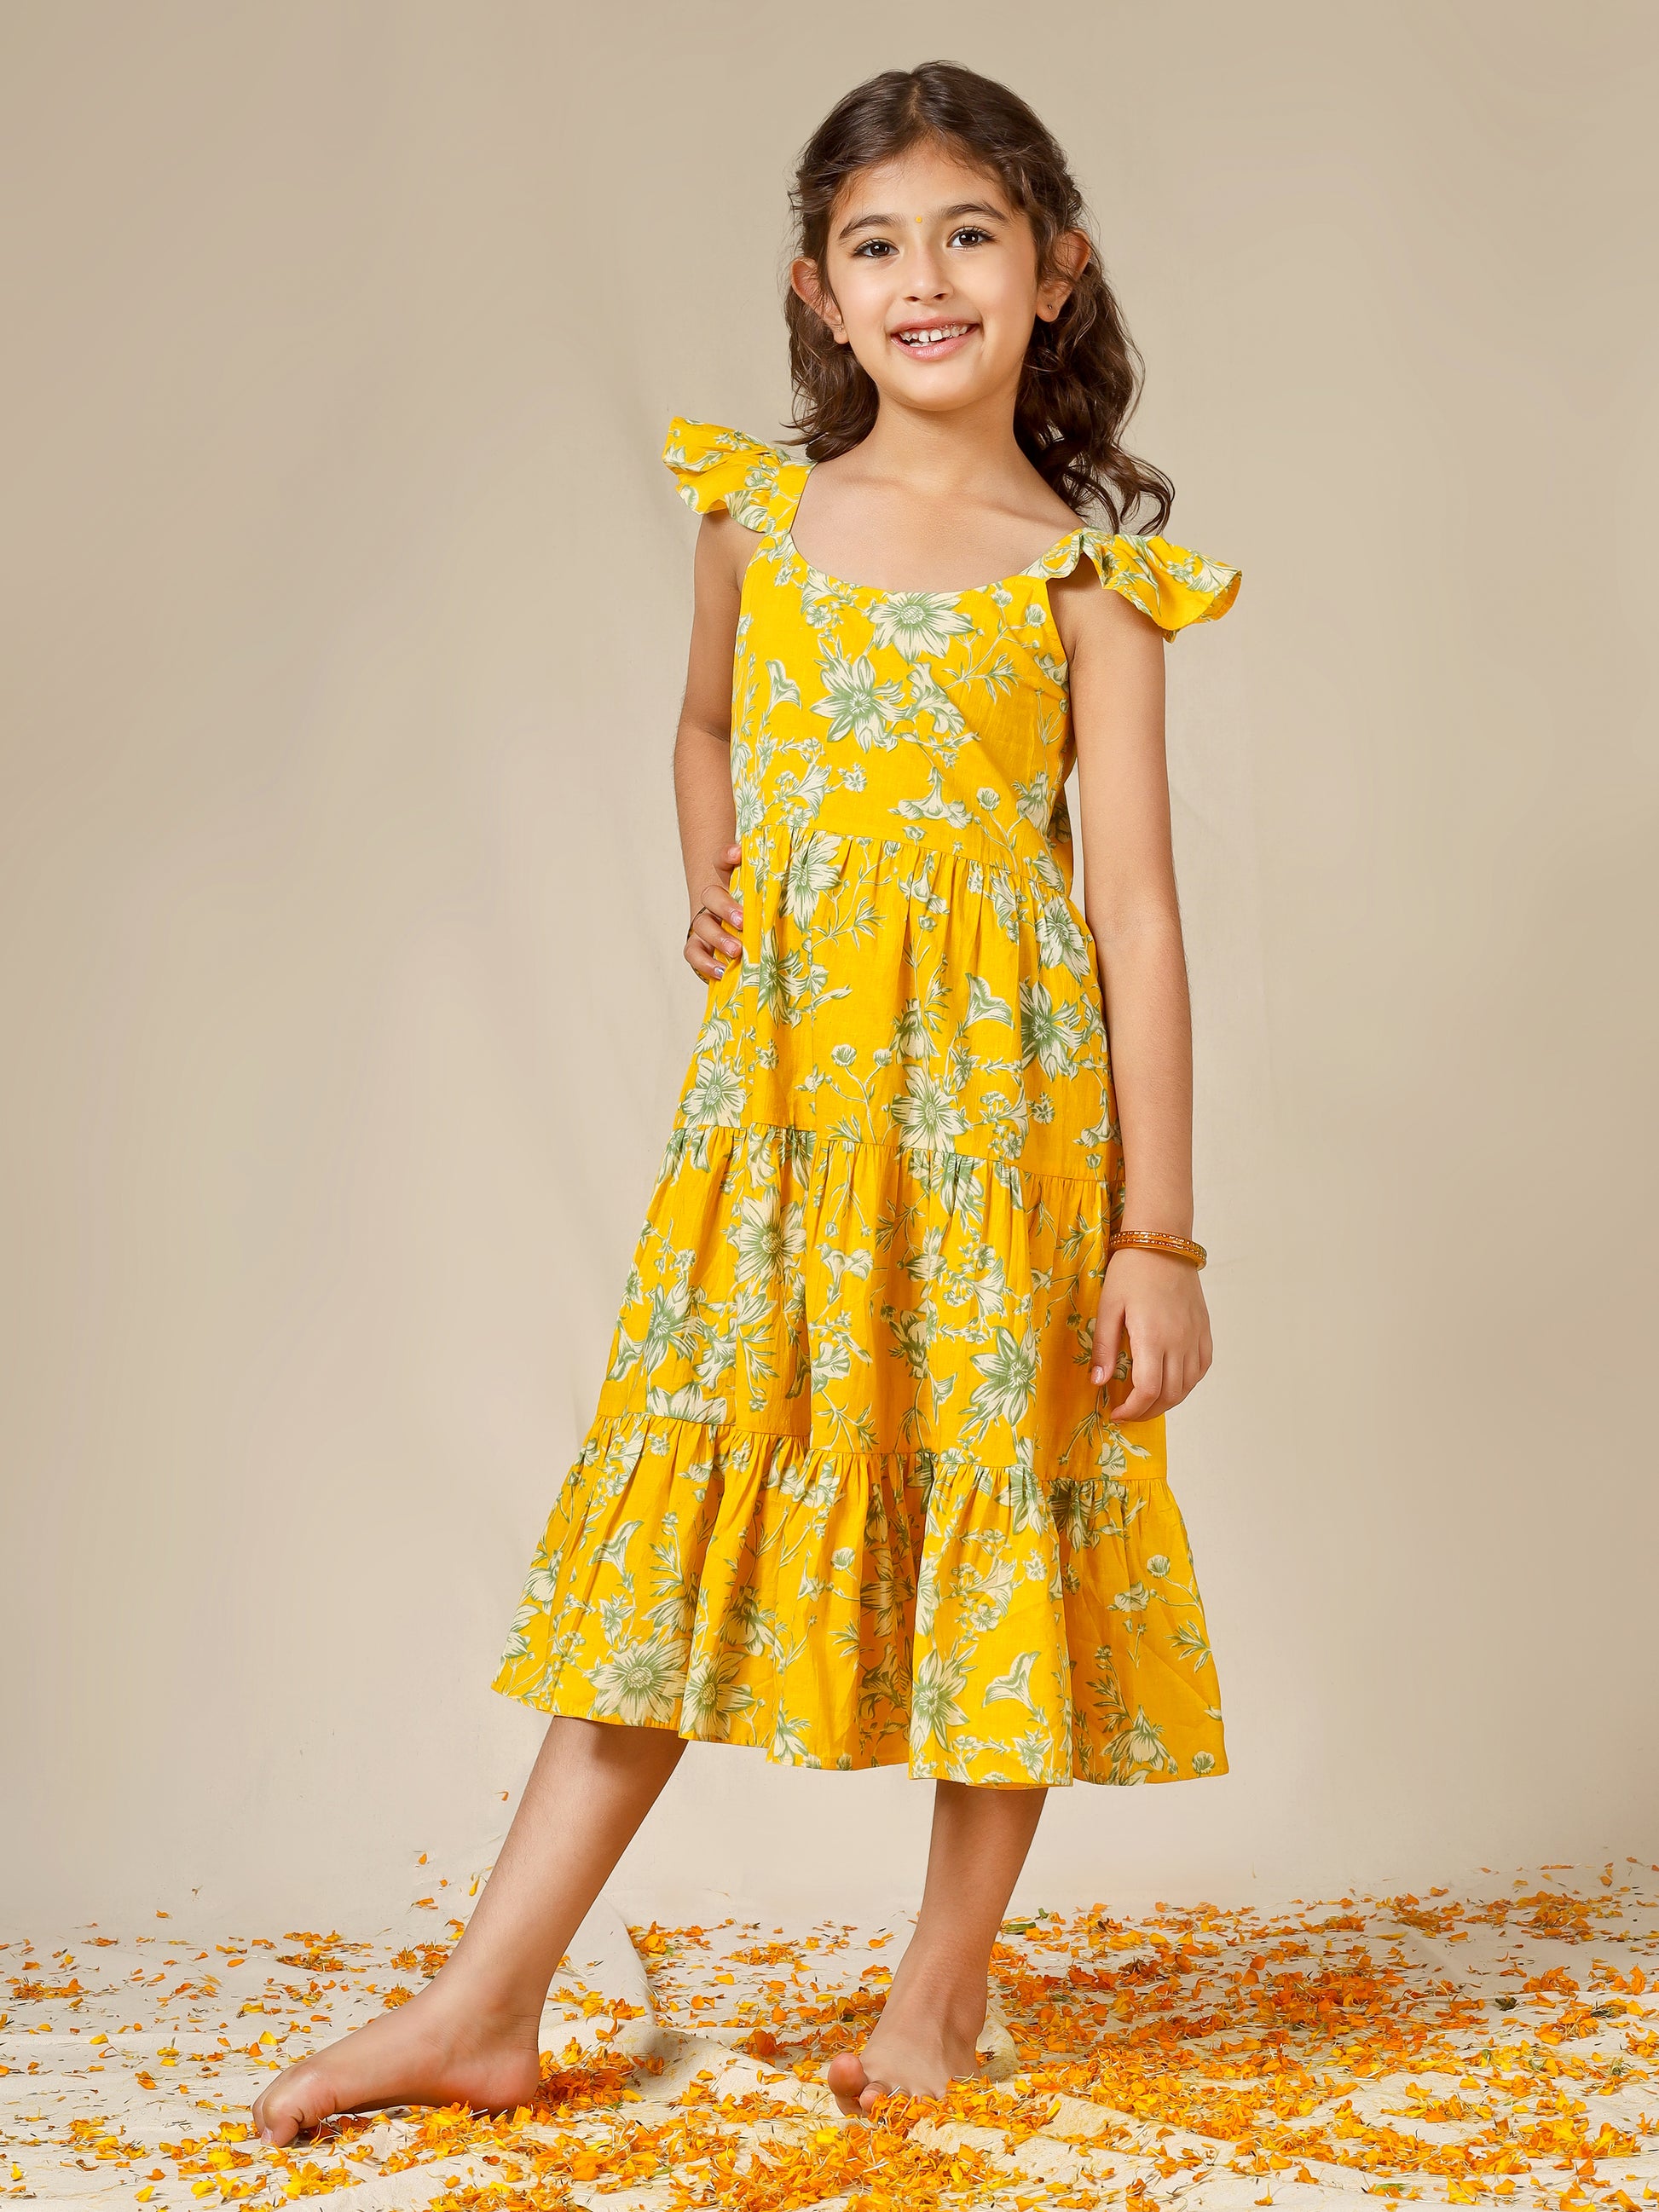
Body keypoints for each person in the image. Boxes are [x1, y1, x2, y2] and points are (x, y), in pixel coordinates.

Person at [251, 56, 1240, 2147]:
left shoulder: (1088, 582)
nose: (924, 277)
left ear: (1054, 272)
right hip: (784, 1124)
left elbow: (1136, 912)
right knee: (681, 1494)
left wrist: (1157, 1234)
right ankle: (485, 1997)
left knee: (1000, 1505)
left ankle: (942, 1987)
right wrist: (716, 869)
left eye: (969, 235)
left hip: (1006, 1131)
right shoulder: (753, 519)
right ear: (817, 291)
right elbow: (702, 727)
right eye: (876, 244)